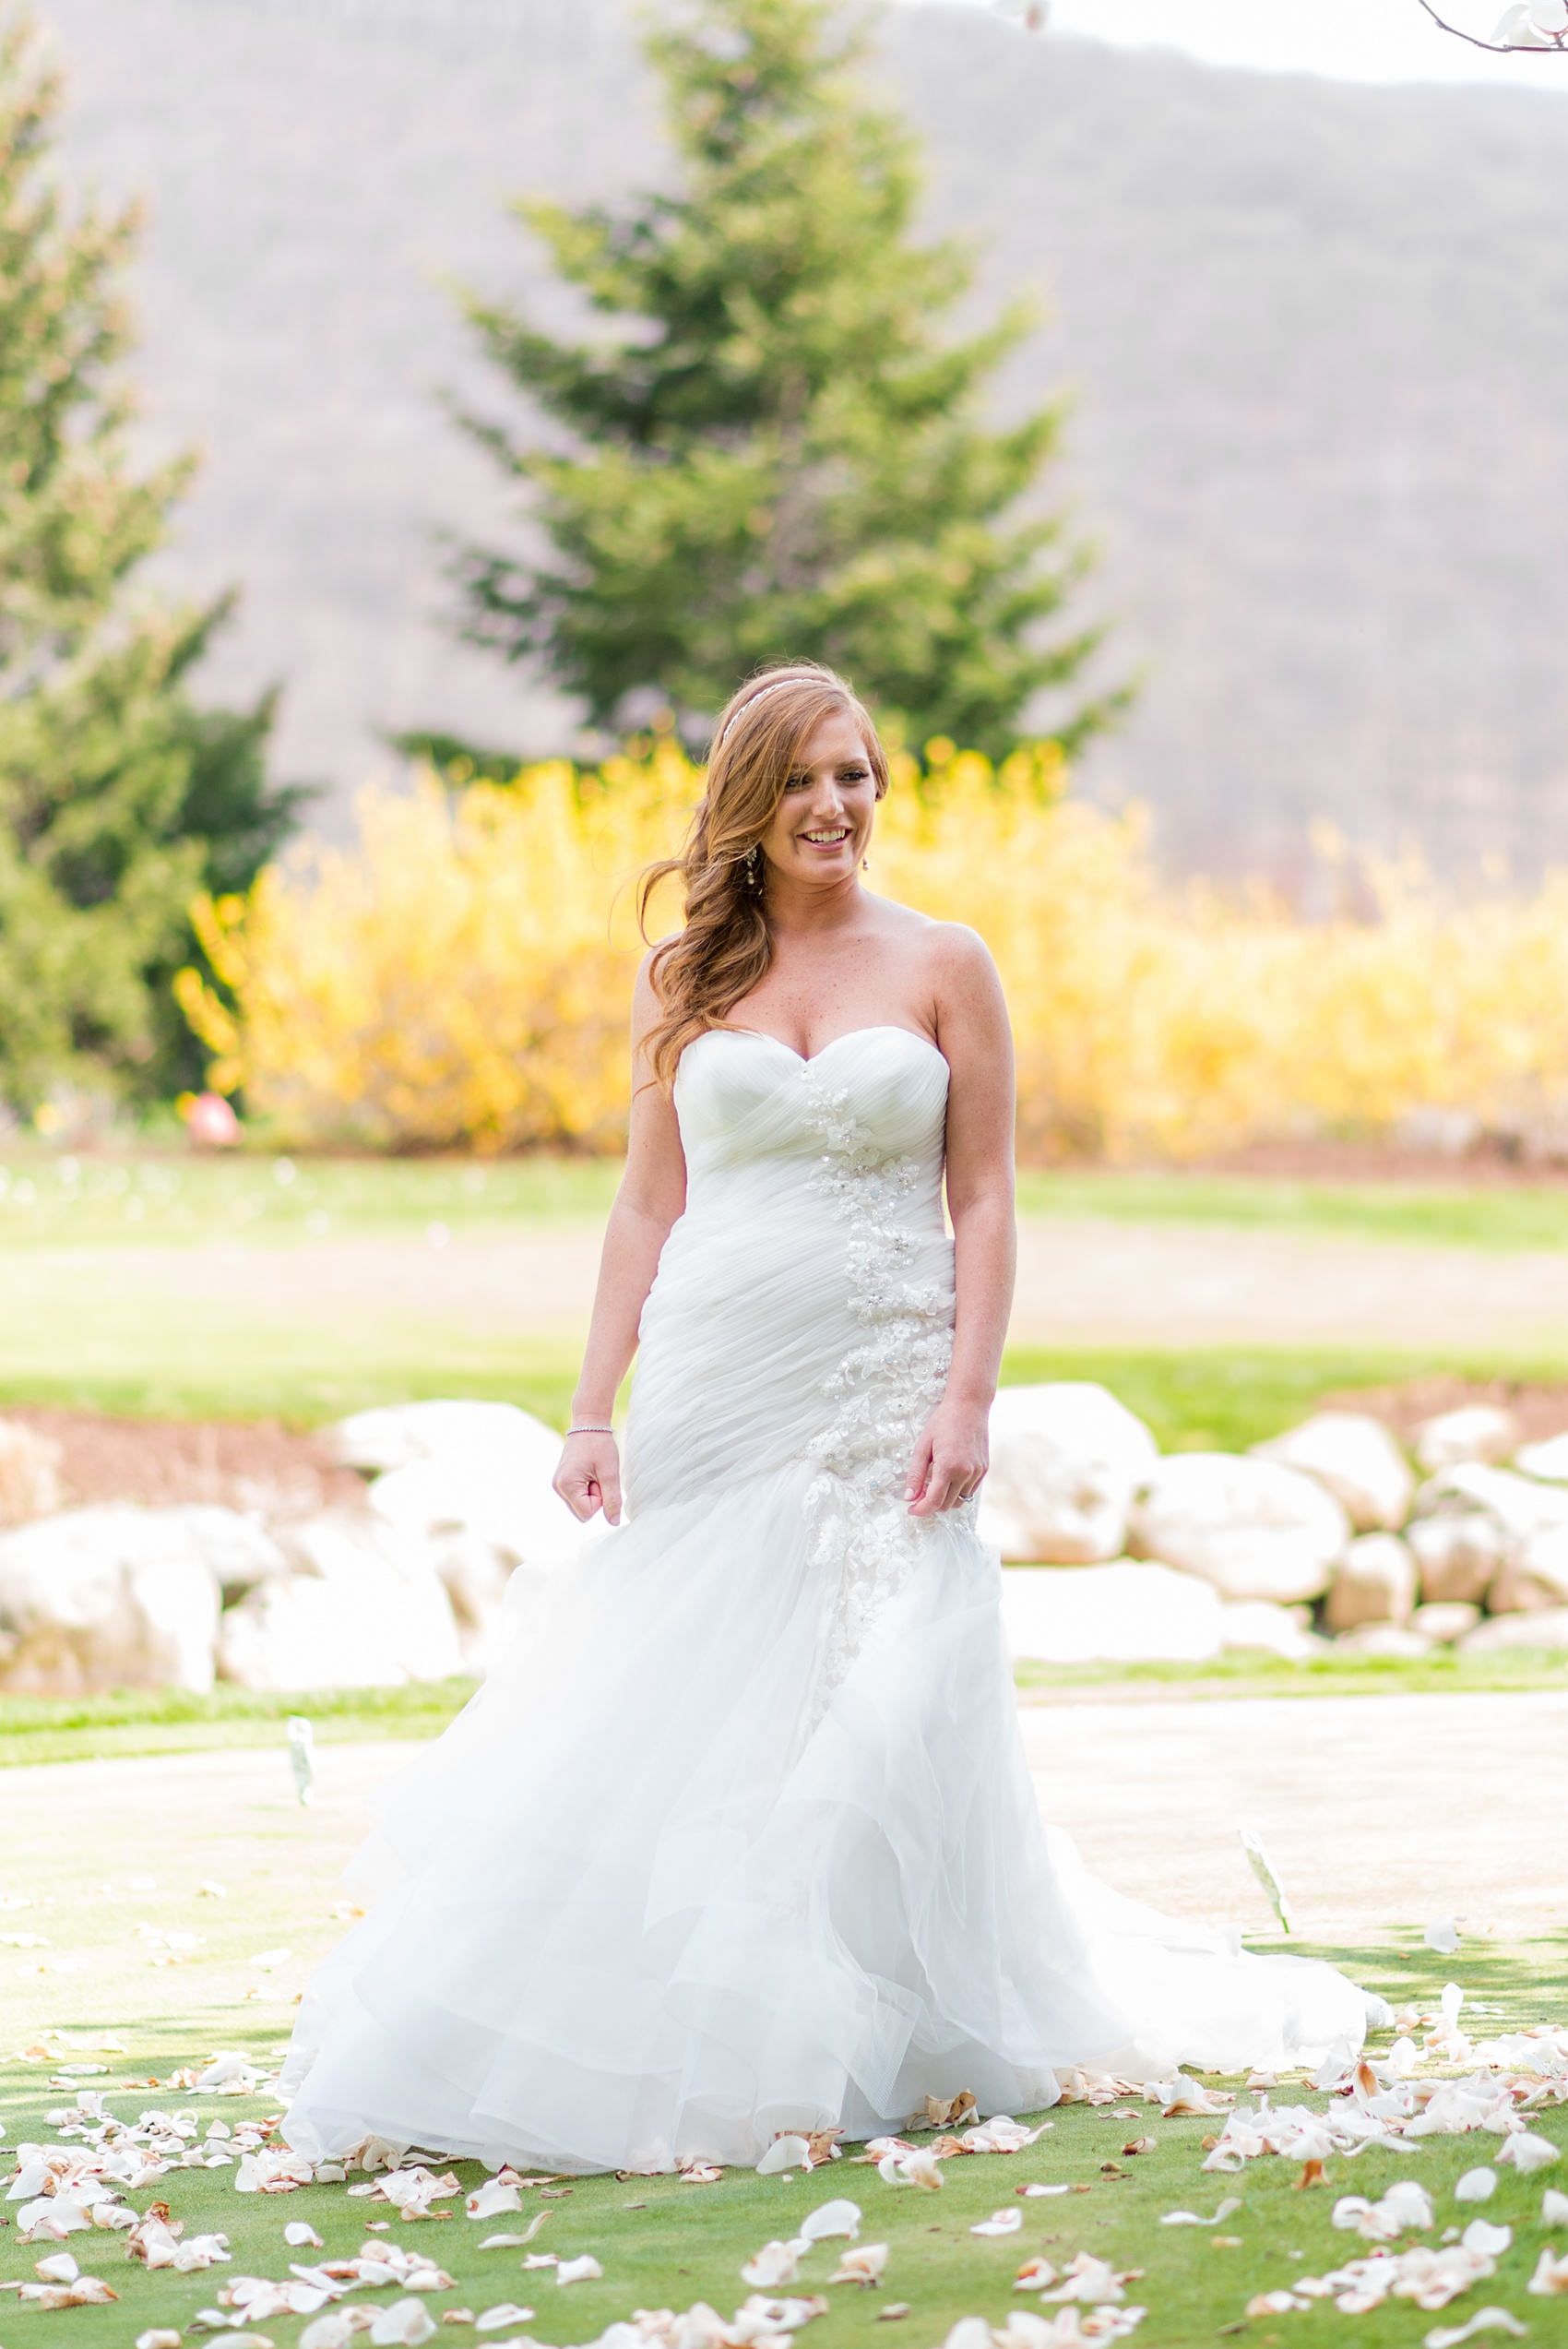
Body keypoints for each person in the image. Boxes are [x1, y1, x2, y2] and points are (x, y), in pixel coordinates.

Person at [281, 662, 1377, 2175]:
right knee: (688, 1666)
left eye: (856, 774)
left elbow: (983, 1193)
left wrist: (969, 1392)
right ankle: (657, 2006)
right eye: (802, 779)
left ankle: (889, 2024)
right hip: (718, 1374)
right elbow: (645, 1202)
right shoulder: (684, 981)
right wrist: (591, 1408)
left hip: (884, 1381)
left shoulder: (945, 962)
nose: (834, 806)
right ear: (747, 800)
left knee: (881, 1675)